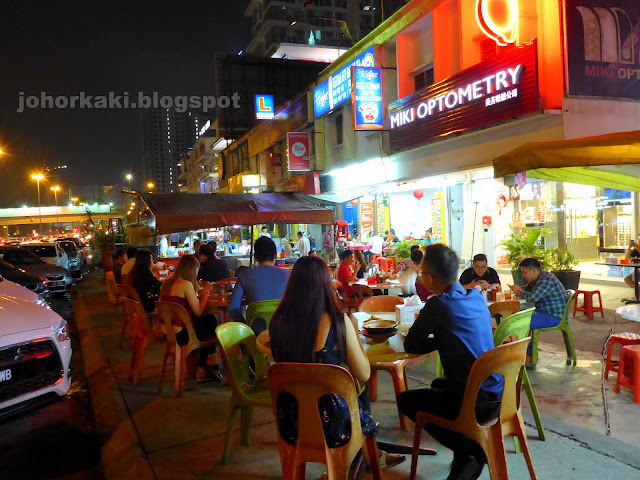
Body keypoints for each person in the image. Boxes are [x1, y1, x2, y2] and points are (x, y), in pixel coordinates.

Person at [269, 256, 403, 469]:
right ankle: (368, 455)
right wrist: (355, 336)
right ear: (325, 284)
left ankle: (371, 455)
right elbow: (364, 373)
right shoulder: (337, 321)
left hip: (291, 422)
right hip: (334, 425)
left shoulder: (277, 321)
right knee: (358, 385)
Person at [398, 244, 503, 480]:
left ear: (430, 278)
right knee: (438, 384)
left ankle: (469, 449)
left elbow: (412, 346)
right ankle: (467, 451)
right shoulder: (475, 297)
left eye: (422, 272)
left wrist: (439, 339)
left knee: (405, 400)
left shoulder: (437, 305)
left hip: (473, 401)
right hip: (496, 393)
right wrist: (444, 338)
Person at [159, 255, 222, 382]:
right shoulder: (185, 284)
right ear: (192, 269)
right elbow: (198, 311)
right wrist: (206, 292)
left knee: (206, 322)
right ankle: (207, 363)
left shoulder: (166, 283)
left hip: (167, 333)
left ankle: (206, 364)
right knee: (210, 321)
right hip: (181, 335)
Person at [508, 257, 569, 355]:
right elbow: (527, 289)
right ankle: (527, 350)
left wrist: (519, 292)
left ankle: (525, 353)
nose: (523, 275)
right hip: (543, 312)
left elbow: (533, 297)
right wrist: (519, 289)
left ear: (534, 271)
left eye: (525, 272)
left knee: (520, 321)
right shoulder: (538, 278)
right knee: (517, 314)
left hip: (554, 316)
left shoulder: (546, 280)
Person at [228, 236, 291, 328]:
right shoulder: (289, 275)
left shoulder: (244, 276)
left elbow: (232, 308)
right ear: (276, 255)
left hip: (256, 335)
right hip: (284, 332)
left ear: (255, 257)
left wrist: (245, 326)